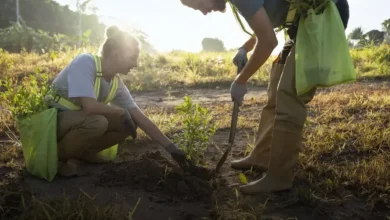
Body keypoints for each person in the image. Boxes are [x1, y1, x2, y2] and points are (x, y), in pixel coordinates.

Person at [180, 0, 350, 194]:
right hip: (301, 24)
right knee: (275, 93)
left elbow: (269, 41)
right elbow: (267, 22)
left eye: (198, 4)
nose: (203, 12)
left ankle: (279, 177)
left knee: (289, 96)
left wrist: (241, 80)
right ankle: (262, 155)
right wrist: (245, 47)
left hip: (323, 18)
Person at [46, 25, 187, 177]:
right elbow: (90, 107)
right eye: (132, 58)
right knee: (98, 122)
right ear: (116, 53)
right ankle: (57, 158)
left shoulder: (116, 83)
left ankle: (84, 153)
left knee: (128, 124)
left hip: (77, 123)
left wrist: (173, 149)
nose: (136, 64)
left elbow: (141, 119)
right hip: (53, 121)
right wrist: (120, 111)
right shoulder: (85, 62)